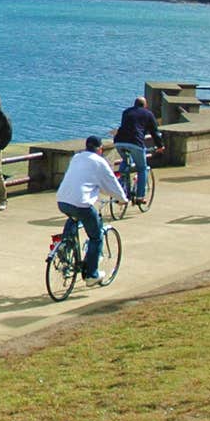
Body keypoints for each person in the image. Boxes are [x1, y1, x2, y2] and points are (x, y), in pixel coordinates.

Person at [55, 136, 129, 285]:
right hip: (81, 203)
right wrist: (122, 199)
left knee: (74, 218)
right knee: (96, 236)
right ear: (100, 149)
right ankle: (91, 275)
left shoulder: (77, 157)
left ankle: (65, 244)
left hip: (62, 200)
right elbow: (111, 182)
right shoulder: (99, 162)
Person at [112, 97, 165, 204]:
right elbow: (155, 132)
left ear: (134, 104)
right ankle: (140, 197)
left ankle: (120, 189)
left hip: (119, 142)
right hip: (135, 143)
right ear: (145, 105)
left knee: (126, 161)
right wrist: (160, 146)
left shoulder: (126, 112)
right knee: (142, 168)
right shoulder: (148, 114)